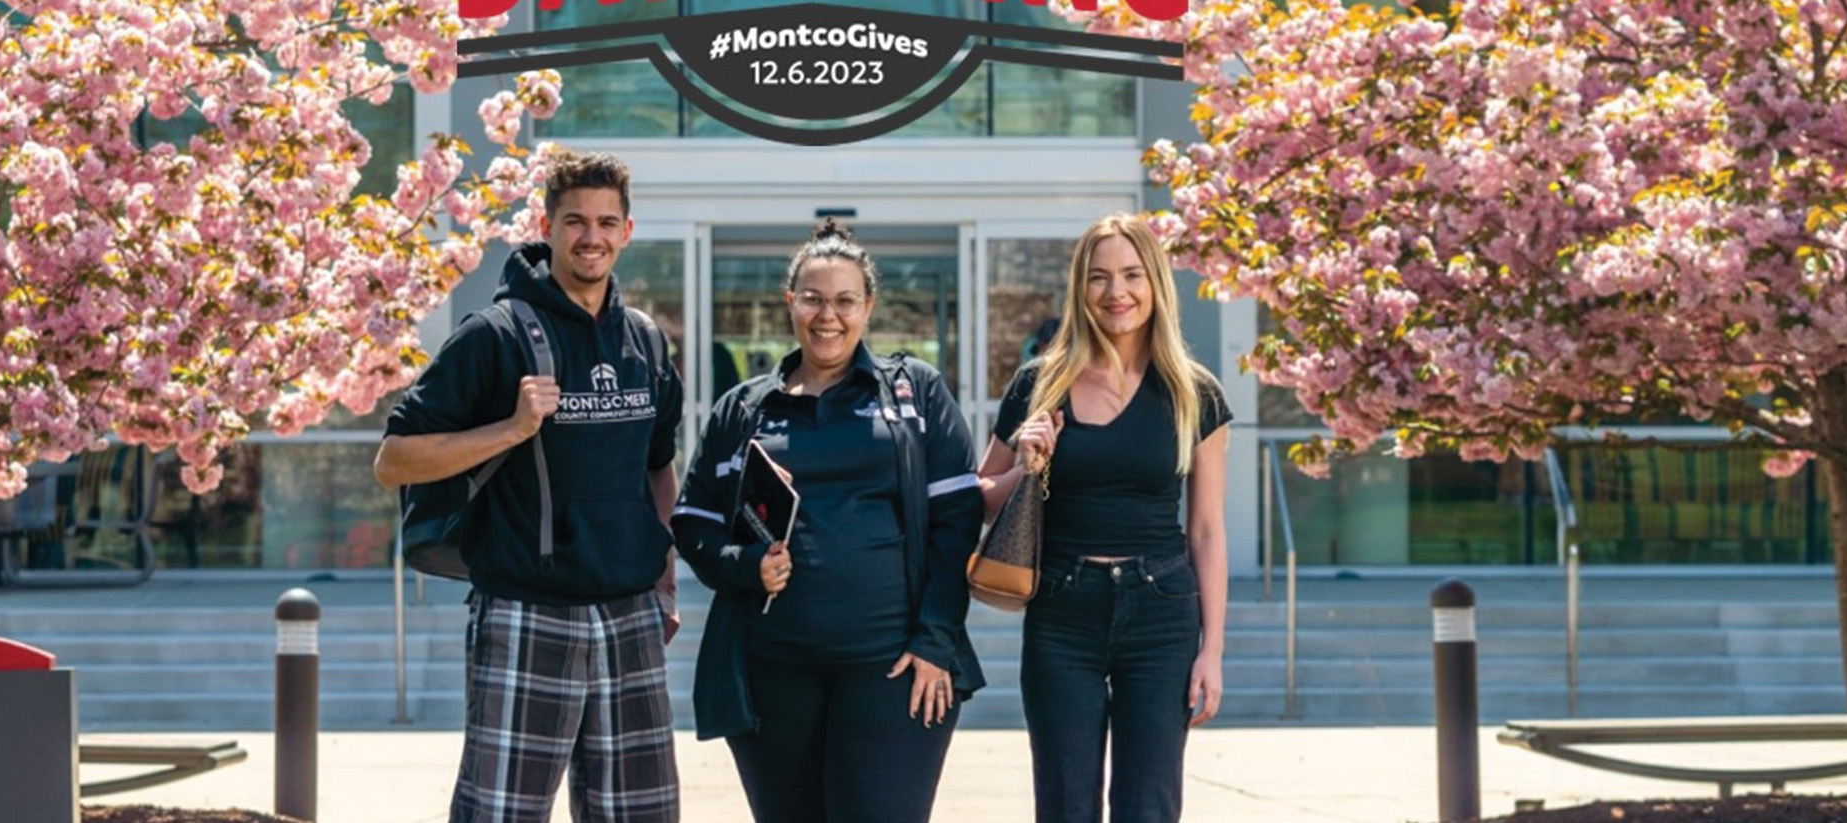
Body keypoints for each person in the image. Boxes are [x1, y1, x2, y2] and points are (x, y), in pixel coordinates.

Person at [375, 149, 682, 823]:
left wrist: (663, 575)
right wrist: (510, 429)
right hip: (524, 608)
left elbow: (657, 465)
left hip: (629, 611)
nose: (591, 236)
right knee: (502, 813)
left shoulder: (645, 343)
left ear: (627, 230)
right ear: (547, 226)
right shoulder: (495, 334)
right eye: (574, 221)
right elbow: (393, 459)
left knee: (641, 814)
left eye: (606, 222)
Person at [672, 219, 984, 823]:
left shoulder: (915, 391)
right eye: (812, 299)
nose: (828, 316)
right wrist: (744, 566)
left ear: (868, 306)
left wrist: (935, 640)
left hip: (894, 667)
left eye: (845, 301)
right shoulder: (743, 409)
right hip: (772, 669)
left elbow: (957, 519)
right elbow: (692, 521)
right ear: (790, 302)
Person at [977, 212, 1231, 823]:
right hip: (1063, 610)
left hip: (1162, 614)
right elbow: (981, 494)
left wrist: (1212, 650)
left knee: (1149, 805)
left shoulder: (1194, 392)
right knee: (1065, 804)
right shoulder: (1040, 384)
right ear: (1079, 287)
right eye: (1098, 278)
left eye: (1131, 275)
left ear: (1155, 283)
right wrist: (1028, 464)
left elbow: (1206, 529)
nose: (1116, 293)